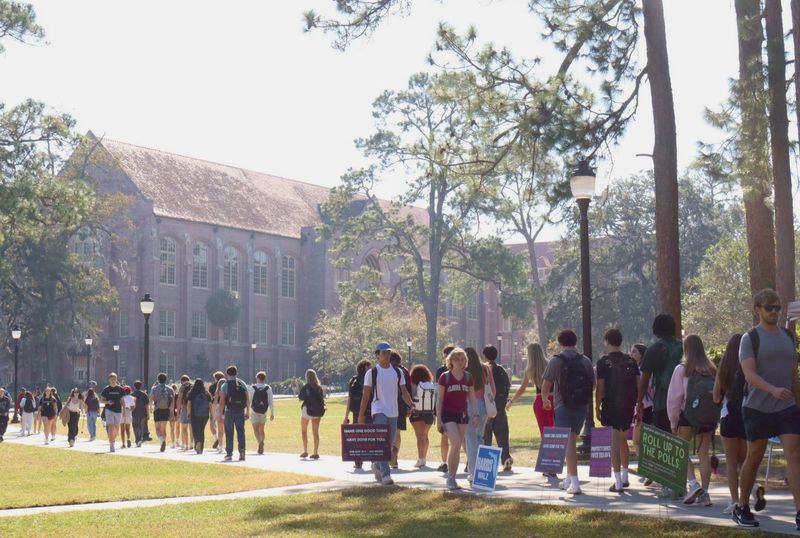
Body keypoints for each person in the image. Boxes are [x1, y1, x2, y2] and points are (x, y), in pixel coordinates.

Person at [734, 289, 800, 530]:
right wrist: (772, 389)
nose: (774, 311)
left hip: (786, 406)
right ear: (757, 310)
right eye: (768, 307)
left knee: (794, 454)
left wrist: (798, 403)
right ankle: (742, 506)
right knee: (755, 457)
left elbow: (793, 374)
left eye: (777, 307)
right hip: (757, 407)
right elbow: (749, 374)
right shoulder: (750, 338)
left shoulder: (789, 337)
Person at [667, 334, 718, 508]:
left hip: (687, 415)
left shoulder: (682, 369)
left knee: (680, 449)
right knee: (703, 454)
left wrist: (673, 421)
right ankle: (705, 492)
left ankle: (693, 484)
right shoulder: (712, 369)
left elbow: (674, 398)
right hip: (707, 417)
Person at [542, 329, 595, 495]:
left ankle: (575, 482)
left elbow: (546, 385)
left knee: (569, 443)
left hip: (562, 405)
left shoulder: (556, 361)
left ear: (560, 343)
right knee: (572, 439)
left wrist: (545, 400)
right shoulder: (585, 360)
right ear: (575, 342)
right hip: (581, 406)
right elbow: (592, 384)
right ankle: (568, 478)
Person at [637, 314, 683, 499]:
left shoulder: (655, 349)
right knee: (679, 441)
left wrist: (639, 401)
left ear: (655, 329)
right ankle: (681, 482)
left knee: (665, 442)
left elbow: (644, 379)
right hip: (684, 400)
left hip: (663, 400)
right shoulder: (682, 346)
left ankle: (670, 485)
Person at [359, 342, 415, 486]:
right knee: (382, 443)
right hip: (378, 410)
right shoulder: (372, 373)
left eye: (388, 352)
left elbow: (403, 391)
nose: (386, 355)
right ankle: (386, 475)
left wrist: (410, 404)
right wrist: (361, 414)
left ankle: (377, 464)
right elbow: (366, 394)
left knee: (388, 444)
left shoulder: (397, 372)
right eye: (383, 352)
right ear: (377, 355)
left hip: (393, 411)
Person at [595, 328, 639, 493]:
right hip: (628, 405)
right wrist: (638, 403)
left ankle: (618, 481)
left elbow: (601, 388)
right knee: (622, 440)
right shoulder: (631, 361)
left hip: (611, 405)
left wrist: (597, 406)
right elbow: (638, 383)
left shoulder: (603, 362)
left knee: (614, 442)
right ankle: (626, 476)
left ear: (607, 341)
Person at [436, 347, 479, 490]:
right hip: (448, 414)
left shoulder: (468, 377)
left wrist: (476, 415)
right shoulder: (445, 377)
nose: (460, 362)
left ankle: (453, 477)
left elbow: (472, 397)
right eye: (457, 359)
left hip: (462, 414)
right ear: (451, 361)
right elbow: (440, 399)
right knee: (454, 442)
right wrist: (439, 419)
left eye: (462, 359)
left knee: (458, 445)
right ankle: (450, 477)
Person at [508, 343, 553, 442]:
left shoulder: (530, 369)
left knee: (544, 431)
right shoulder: (550, 364)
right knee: (555, 430)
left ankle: (547, 454)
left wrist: (511, 402)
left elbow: (522, 389)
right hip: (554, 400)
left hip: (540, 400)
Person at [465, 346, 496, 485]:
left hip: (468, 405)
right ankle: (481, 470)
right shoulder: (485, 368)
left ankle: (472, 471)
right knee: (479, 437)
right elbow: (493, 390)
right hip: (483, 404)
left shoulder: (464, 372)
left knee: (470, 438)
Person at [482, 345, 513, 471]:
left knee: (486, 436)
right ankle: (505, 458)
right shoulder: (501, 370)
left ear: (484, 355)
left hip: (487, 407)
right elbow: (507, 386)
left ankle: (486, 463)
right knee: (502, 434)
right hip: (499, 407)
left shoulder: (483, 370)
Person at [344, 359, 372, 469]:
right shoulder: (370, 379)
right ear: (366, 367)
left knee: (358, 436)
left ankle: (358, 461)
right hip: (369, 411)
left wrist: (346, 416)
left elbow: (350, 399)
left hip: (355, 412)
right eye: (370, 367)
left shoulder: (353, 380)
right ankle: (373, 460)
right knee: (371, 436)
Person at [220, 365, 250, 462]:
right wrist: (248, 411)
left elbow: (222, 401)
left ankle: (229, 453)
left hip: (229, 411)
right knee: (241, 431)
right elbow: (247, 399)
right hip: (240, 410)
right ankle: (242, 450)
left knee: (229, 432)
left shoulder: (225, 385)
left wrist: (221, 413)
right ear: (236, 373)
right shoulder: (242, 384)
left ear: (227, 374)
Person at [408, 363, 435, 468]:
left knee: (419, 436)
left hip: (417, 413)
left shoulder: (413, 386)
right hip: (429, 413)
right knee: (425, 436)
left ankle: (420, 459)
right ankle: (424, 458)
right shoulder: (430, 384)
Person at [389, 351, 412, 469]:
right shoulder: (404, 371)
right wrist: (410, 405)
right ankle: (395, 457)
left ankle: (387, 455)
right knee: (397, 432)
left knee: (386, 431)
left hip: (387, 403)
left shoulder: (385, 369)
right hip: (401, 404)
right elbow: (407, 389)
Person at [630, 343, 652, 466]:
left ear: (641, 355)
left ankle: (647, 467)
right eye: (631, 351)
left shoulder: (642, 371)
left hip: (645, 407)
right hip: (641, 408)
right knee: (639, 441)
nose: (631, 354)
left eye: (634, 352)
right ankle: (646, 467)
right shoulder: (637, 370)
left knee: (638, 441)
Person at [436, 344, 456, 473]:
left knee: (453, 437)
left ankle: (445, 462)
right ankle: (444, 462)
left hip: (452, 406)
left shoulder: (462, 372)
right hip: (446, 407)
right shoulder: (441, 372)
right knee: (445, 435)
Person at [299, 368, 325, 460]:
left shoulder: (306, 387)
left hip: (307, 410)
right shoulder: (319, 388)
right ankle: (315, 452)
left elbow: (301, 397)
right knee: (315, 432)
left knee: (304, 431)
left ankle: (305, 450)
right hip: (317, 411)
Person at [249, 371, 274, 455]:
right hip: (264, 411)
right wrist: (272, 413)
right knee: (262, 429)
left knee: (255, 429)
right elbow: (271, 401)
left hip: (254, 411)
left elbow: (249, 400)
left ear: (258, 378)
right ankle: (262, 441)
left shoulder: (252, 388)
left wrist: (247, 411)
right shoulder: (268, 388)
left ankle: (260, 442)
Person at [150, 373, 175, 452]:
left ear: (158, 379)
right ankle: (163, 443)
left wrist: (151, 408)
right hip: (166, 410)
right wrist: (171, 411)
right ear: (166, 379)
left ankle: (162, 441)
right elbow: (172, 401)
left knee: (157, 429)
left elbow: (151, 399)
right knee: (163, 429)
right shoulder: (170, 389)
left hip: (157, 409)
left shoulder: (154, 388)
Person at [100, 373, 126, 452]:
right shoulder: (106, 389)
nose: (113, 380)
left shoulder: (120, 389)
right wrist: (108, 402)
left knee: (116, 428)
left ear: (116, 379)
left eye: (115, 379)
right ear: (109, 380)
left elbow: (123, 401)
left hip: (118, 410)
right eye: (112, 379)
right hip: (109, 410)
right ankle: (112, 445)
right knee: (111, 427)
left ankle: (113, 440)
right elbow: (101, 400)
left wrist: (124, 411)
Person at [186, 378, 212, 454]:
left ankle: (197, 442)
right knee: (201, 430)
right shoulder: (207, 393)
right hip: (205, 415)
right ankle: (201, 447)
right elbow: (210, 404)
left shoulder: (192, 393)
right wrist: (211, 414)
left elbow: (189, 404)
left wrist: (188, 413)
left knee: (195, 430)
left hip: (194, 414)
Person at [208, 371, 224, 451]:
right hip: (224, 407)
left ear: (215, 378)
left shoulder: (212, 387)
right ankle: (221, 443)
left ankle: (216, 438)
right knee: (222, 426)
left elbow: (210, 400)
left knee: (212, 425)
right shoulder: (226, 385)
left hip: (215, 406)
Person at [176, 375, 193, 451]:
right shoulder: (193, 386)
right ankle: (192, 444)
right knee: (191, 428)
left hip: (185, 407)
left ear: (182, 381)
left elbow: (179, 399)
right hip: (193, 409)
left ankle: (185, 444)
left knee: (184, 428)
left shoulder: (182, 387)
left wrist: (178, 411)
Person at [131, 381, 150, 447]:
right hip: (143, 413)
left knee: (135, 426)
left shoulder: (132, 394)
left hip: (134, 413)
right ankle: (140, 439)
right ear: (141, 386)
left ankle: (138, 439)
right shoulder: (144, 394)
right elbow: (147, 405)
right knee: (142, 427)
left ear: (134, 386)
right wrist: (148, 414)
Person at [212, 375, 226, 454]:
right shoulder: (226, 391)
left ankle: (220, 446)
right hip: (226, 411)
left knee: (220, 430)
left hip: (218, 411)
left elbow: (214, 404)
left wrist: (214, 415)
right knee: (226, 430)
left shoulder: (217, 393)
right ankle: (225, 446)